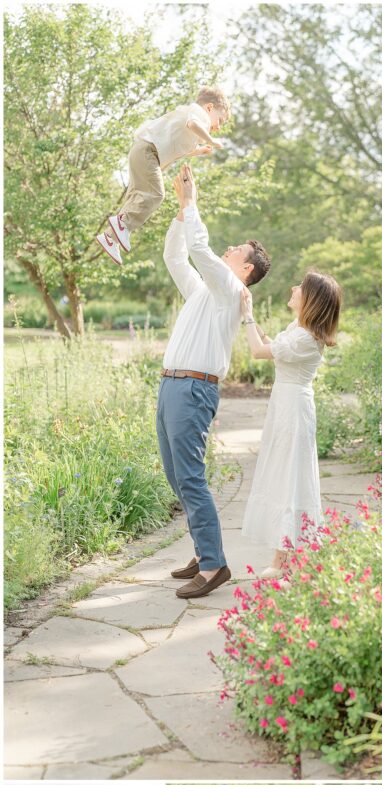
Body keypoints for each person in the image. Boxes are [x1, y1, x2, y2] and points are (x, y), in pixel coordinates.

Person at [158, 163, 271, 599]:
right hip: (171, 386)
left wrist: (192, 203)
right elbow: (176, 256)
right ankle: (203, 550)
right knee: (176, 475)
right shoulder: (206, 291)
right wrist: (178, 213)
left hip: (192, 389)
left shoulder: (229, 289)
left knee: (190, 477)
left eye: (237, 249)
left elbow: (201, 249)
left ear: (245, 270)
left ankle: (214, 564)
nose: (229, 248)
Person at [240, 271, 342, 577]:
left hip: (294, 411)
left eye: (300, 287)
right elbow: (271, 346)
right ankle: (280, 561)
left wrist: (246, 317)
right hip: (285, 407)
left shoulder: (305, 339)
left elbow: (259, 352)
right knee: (285, 478)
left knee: (293, 481)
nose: (293, 288)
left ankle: (299, 563)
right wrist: (249, 314)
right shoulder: (298, 330)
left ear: (310, 299)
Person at [96, 86, 229, 265]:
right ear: (210, 108)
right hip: (148, 152)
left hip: (141, 151)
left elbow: (177, 146)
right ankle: (123, 226)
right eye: (220, 120)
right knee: (156, 194)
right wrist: (211, 140)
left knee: (136, 197)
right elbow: (192, 124)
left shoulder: (194, 123)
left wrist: (198, 151)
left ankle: (110, 238)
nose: (218, 127)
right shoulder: (199, 115)